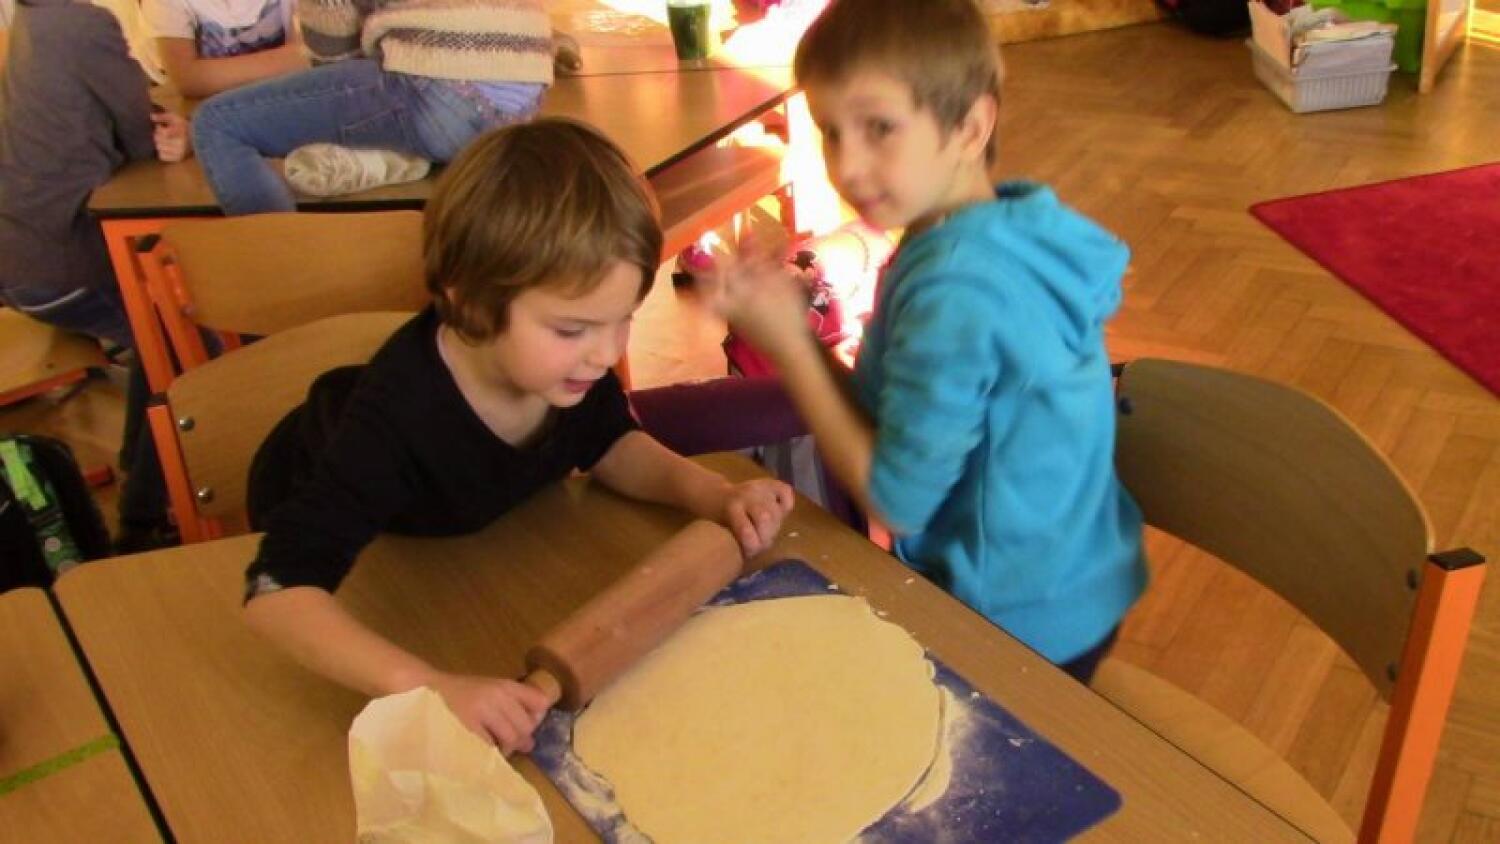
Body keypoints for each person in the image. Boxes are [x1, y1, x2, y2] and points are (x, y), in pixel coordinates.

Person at [241, 118, 795, 753]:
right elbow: (276, 592)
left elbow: (611, 445)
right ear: (472, 304)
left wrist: (714, 495)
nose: (605, 354)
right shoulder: (395, 421)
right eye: (571, 329)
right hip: (365, 540)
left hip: (477, 538)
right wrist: (427, 686)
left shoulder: (566, 374)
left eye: (622, 320)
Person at [700, 0, 1147, 684]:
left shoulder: (958, 288)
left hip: (1017, 622)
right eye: (830, 131)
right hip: (1075, 577)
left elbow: (897, 503)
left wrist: (792, 347)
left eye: (879, 128)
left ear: (970, 126)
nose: (848, 167)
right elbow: (886, 413)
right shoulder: (997, 222)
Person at [0, 0, 194, 552]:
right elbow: (144, 137)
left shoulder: (31, 20)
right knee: (179, 336)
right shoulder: (84, 23)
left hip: (20, 258)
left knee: (157, 329)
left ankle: (141, 473)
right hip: (58, 266)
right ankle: (144, 518)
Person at [189, 0, 559, 215]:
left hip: (436, 92)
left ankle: (287, 289)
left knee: (217, 122)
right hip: (523, 107)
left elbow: (331, 52)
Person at [141, 0, 308, 98]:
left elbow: (307, 58)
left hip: (284, 96)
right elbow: (187, 79)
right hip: (201, 110)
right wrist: (291, 59)